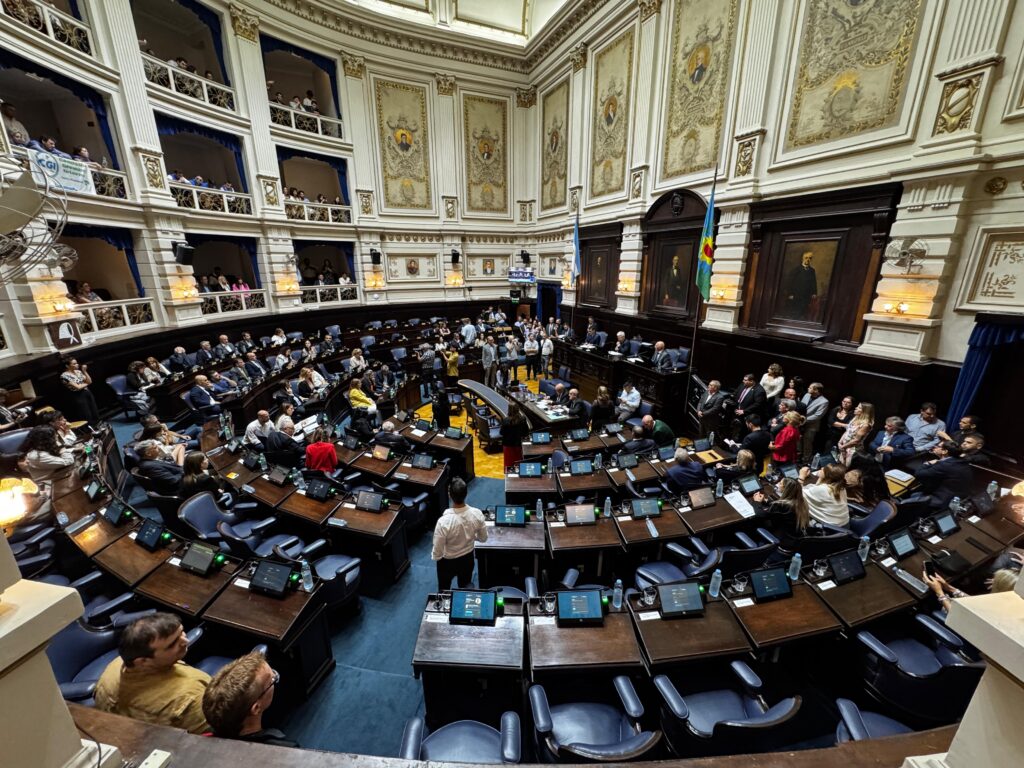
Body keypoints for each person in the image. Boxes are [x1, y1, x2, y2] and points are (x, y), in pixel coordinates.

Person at [95, 613, 212, 734]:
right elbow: (216, 734)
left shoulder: (114, 666)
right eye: (172, 644)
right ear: (143, 661)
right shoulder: (190, 696)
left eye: (181, 632)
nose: (185, 641)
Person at [202, 652, 298, 747]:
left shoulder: (201, 740)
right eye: (272, 680)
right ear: (256, 708)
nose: (275, 676)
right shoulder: (286, 750)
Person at [431, 477, 487, 591]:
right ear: (466, 493)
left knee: (444, 591)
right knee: (465, 591)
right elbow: (483, 538)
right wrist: (471, 536)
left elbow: (437, 554)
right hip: (467, 559)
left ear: (449, 494)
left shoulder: (443, 522)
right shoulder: (477, 514)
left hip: (447, 563)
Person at [912, 440, 972, 510]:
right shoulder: (961, 461)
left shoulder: (945, 465)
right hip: (955, 497)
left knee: (908, 499)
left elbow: (918, 474)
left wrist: (928, 463)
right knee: (915, 493)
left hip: (941, 501)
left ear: (944, 451)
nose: (935, 447)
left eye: (938, 446)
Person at [753, 478, 810, 548]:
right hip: (795, 537)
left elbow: (760, 515)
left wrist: (756, 502)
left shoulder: (782, 505)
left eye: (780, 483)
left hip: (783, 540)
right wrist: (766, 501)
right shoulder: (802, 501)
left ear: (785, 489)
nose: (777, 484)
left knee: (755, 525)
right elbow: (779, 509)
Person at [61, 357, 101, 424]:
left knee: (94, 411)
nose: (77, 364)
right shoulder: (64, 376)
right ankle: (91, 429)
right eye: (74, 364)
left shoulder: (78, 371)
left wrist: (84, 371)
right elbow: (78, 387)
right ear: (67, 366)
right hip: (78, 395)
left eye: (76, 363)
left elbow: (89, 381)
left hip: (87, 392)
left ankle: (98, 426)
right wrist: (86, 384)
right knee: (86, 414)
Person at [800, 383, 829, 459]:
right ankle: (797, 458)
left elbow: (818, 415)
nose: (808, 389)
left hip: (811, 426)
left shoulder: (824, 401)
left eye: (810, 388)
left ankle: (805, 461)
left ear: (816, 390)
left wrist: (802, 420)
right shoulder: (806, 395)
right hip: (799, 423)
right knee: (798, 442)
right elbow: (801, 407)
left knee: (807, 444)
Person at [500, 401, 528, 470]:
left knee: (508, 465)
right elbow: (526, 432)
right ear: (518, 409)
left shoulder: (505, 420)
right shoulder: (523, 419)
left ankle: (509, 478)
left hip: (508, 446)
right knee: (518, 464)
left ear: (509, 410)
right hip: (518, 446)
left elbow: (501, 432)